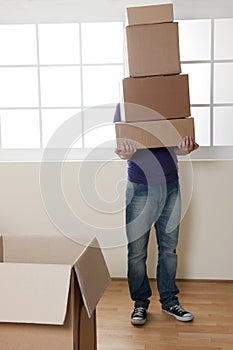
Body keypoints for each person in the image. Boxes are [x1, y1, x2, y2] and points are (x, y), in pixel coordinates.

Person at [114, 103, 199, 326]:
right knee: (137, 252)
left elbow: (176, 147)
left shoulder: (168, 98)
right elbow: (121, 149)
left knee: (169, 249)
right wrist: (126, 153)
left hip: (171, 185)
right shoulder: (125, 106)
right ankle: (140, 303)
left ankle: (169, 301)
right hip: (140, 187)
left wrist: (184, 147)